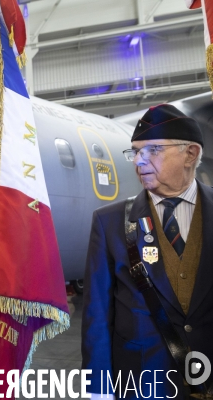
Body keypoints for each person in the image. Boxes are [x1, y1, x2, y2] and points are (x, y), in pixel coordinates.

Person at [82, 104, 213, 399]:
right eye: (135, 152)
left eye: (153, 150)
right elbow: (97, 315)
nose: (139, 161)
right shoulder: (109, 222)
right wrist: (99, 389)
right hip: (142, 384)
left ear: (190, 154)